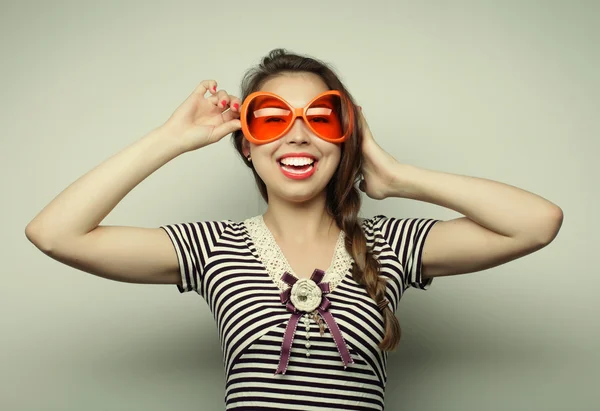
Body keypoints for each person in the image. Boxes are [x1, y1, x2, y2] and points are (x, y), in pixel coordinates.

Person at [25, 48, 563, 410]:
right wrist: (171, 138)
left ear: (344, 138)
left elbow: (538, 224)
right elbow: (55, 233)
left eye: (321, 118)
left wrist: (398, 177)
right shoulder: (211, 247)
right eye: (273, 119)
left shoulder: (390, 244)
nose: (298, 136)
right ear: (247, 144)